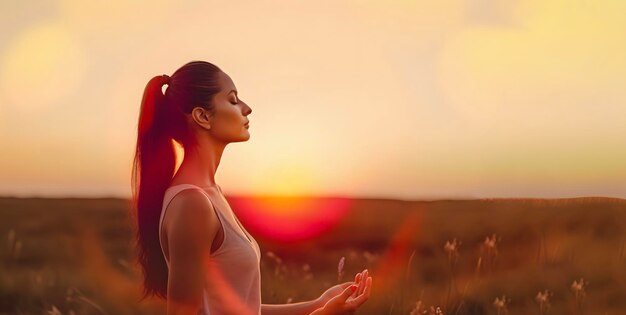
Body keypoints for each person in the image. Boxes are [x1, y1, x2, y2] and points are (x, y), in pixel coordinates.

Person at [130, 60, 372, 315]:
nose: (247, 108)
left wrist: (317, 305)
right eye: (233, 100)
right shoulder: (192, 202)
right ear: (203, 116)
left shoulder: (210, 195)